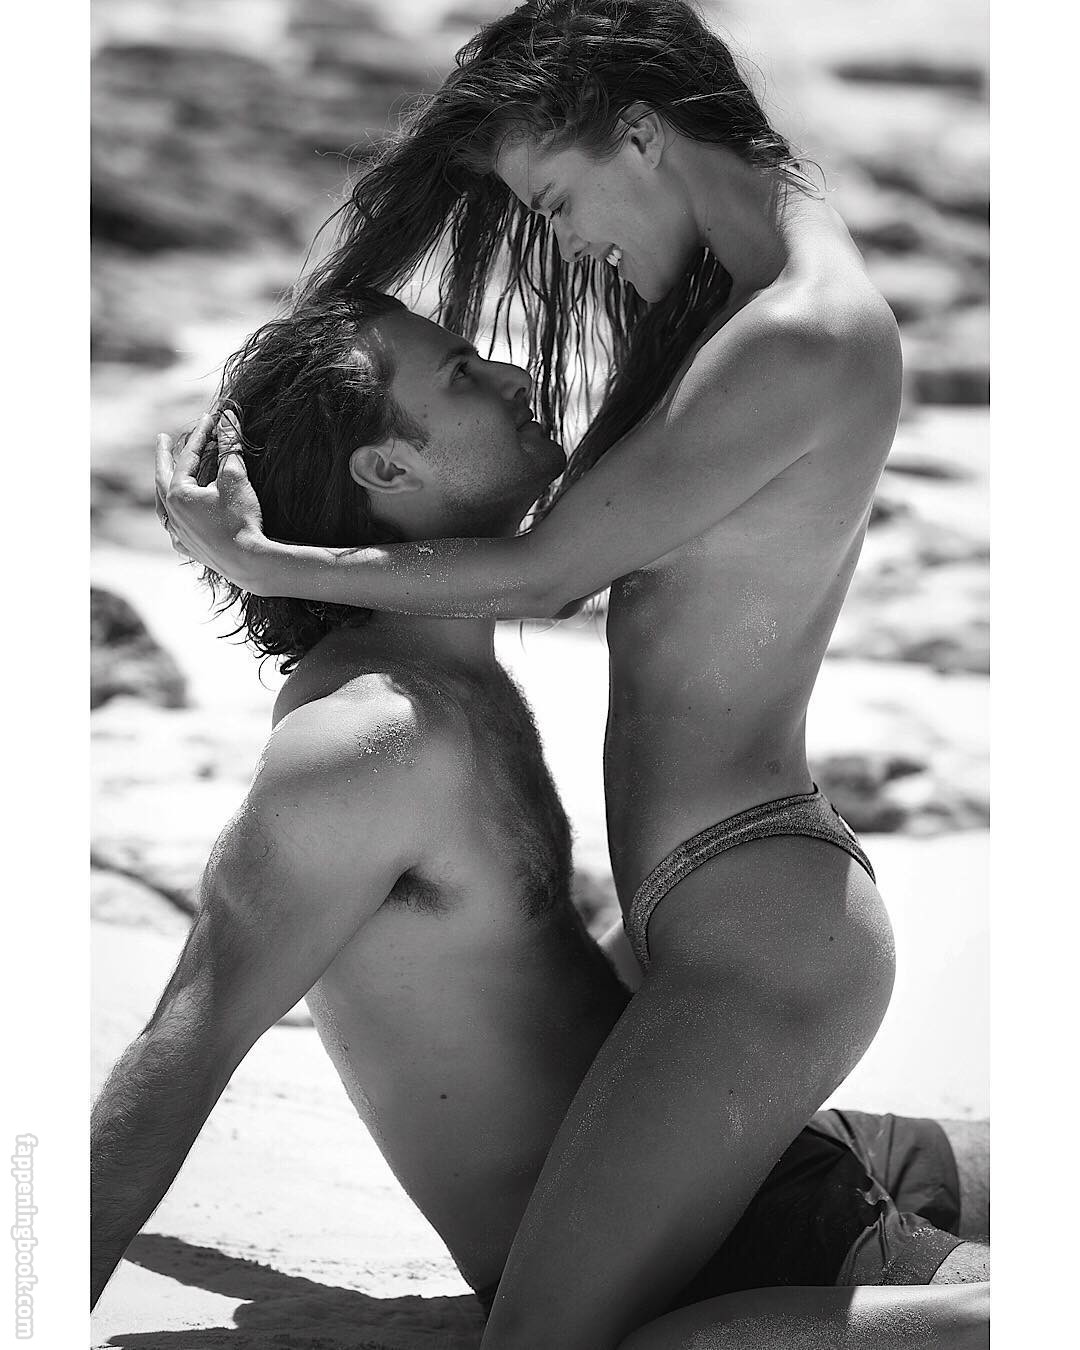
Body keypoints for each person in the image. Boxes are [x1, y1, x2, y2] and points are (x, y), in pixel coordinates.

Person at [157, 6, 986, 1344]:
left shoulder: (800, 331)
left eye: (552, 202)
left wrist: (267, 558)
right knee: (753, 1223)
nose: (564, 247)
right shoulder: (731, 305)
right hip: (707, 903)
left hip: (760, 909)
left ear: (641, 135)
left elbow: (547, 572)